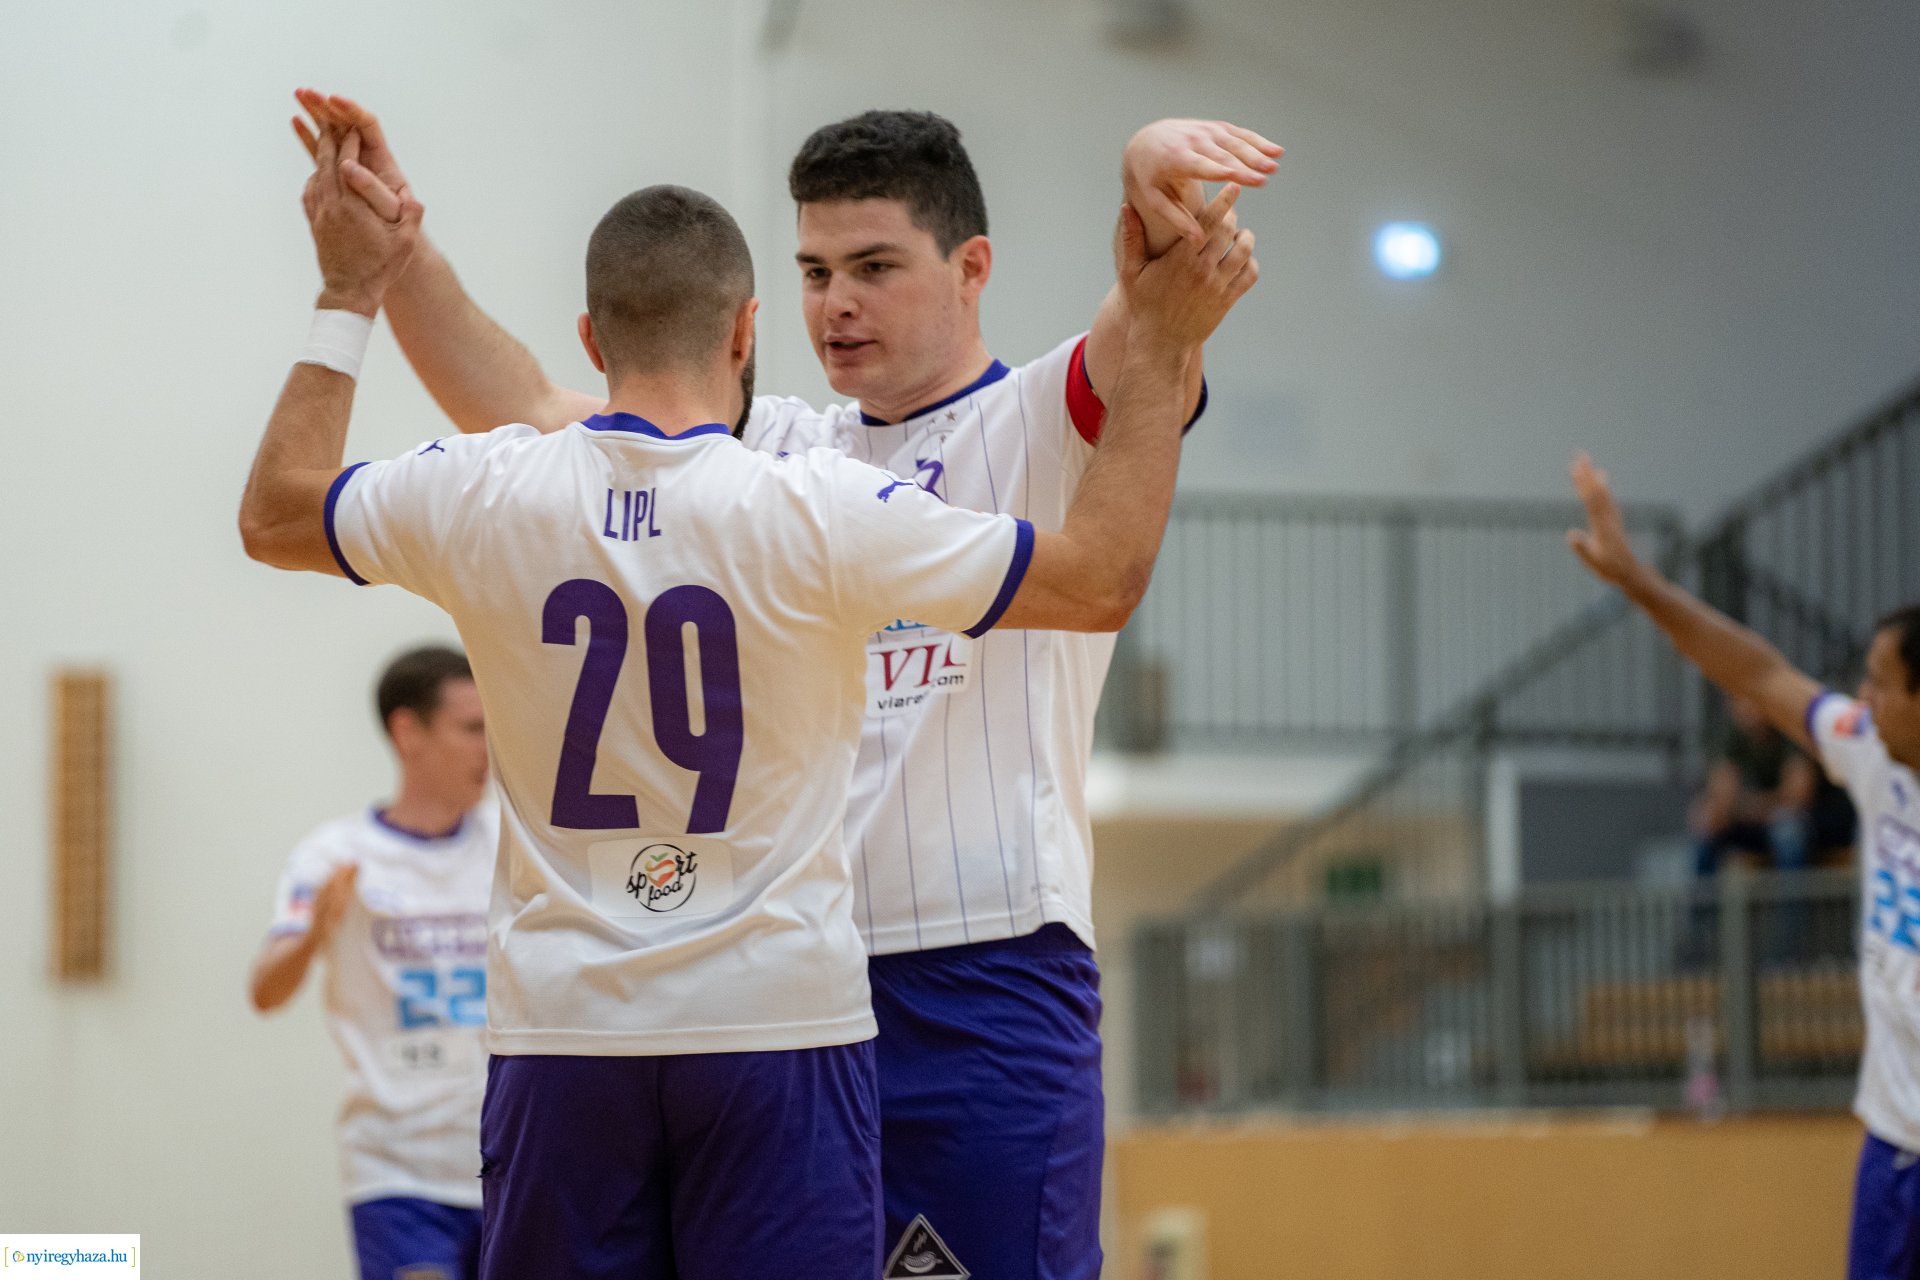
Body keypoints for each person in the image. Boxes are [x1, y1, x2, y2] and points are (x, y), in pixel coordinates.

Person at [241, 120, 1254, 1277]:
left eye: (875, 268)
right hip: (797, 981)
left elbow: (1158, 325)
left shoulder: (1038, 405)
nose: (838, 304)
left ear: (972, 268)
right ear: (756, 317)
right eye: (816, 273)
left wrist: (1157, 183)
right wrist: (402, 246)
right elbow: (517, 395)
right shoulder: (771, 451)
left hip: (978, 968)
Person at [1568, 451, 1920, 1280]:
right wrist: (1639, 584)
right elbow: (1759, 671)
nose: (1859, 699)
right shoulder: (1871, 755)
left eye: (1879, 683)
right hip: (1892, 1147)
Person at [248, 645, 496, 1280]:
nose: (489, 748)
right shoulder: (335, 856)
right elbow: (264, 991)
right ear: (408, 732)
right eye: (471, 728)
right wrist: (311, 939)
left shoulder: (514, 848)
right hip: (399, 1172)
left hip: (512, 1164)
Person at [1692, 694, 1852, 878]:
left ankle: (1792, 906)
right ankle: (1699, 905)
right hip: (1759, 821)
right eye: (1740, 698)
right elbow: (1722, 800)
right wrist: (1729, 809)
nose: (1748, 708)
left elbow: (1797, 798)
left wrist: (1744, 806)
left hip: (1819, 821)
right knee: (1709, 825)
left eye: (1753, 697)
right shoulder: (1730, 736)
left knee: (1787, 829)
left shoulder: (1790, 728)